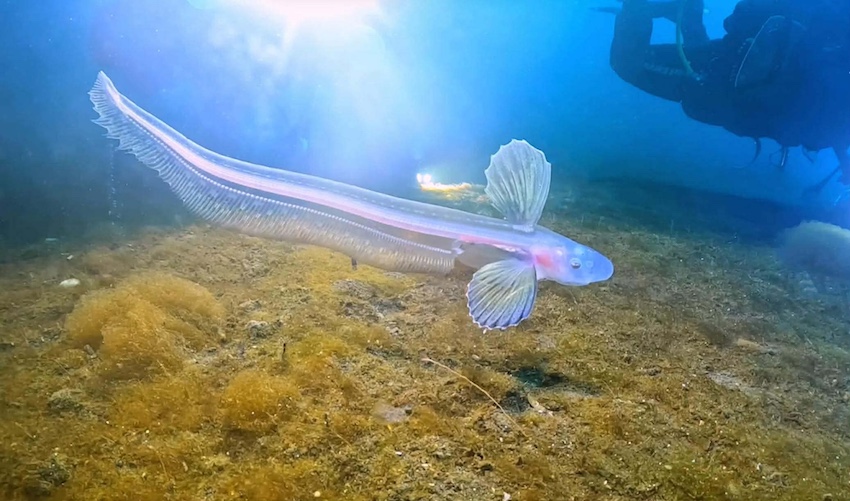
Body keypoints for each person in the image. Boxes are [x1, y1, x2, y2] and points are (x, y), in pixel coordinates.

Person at [605, 0, 850, 188]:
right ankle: (685, 15)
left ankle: (675, 12)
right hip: (747, 88)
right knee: (689, 84)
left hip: (737, 82)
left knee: (628, 63)